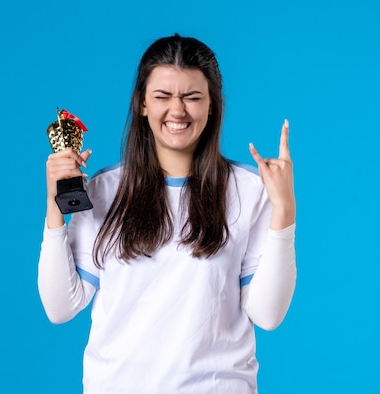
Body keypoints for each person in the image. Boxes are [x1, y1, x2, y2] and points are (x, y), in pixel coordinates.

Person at [37, 34, 296, 394]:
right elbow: (60, 307)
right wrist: (55, 206)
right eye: (162, 96)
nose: (177, 111)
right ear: (142, 103)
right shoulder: (104, 190)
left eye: (192, 97)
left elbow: (268, 315)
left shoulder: (249, 191)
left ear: (212, 106)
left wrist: (284, 211)